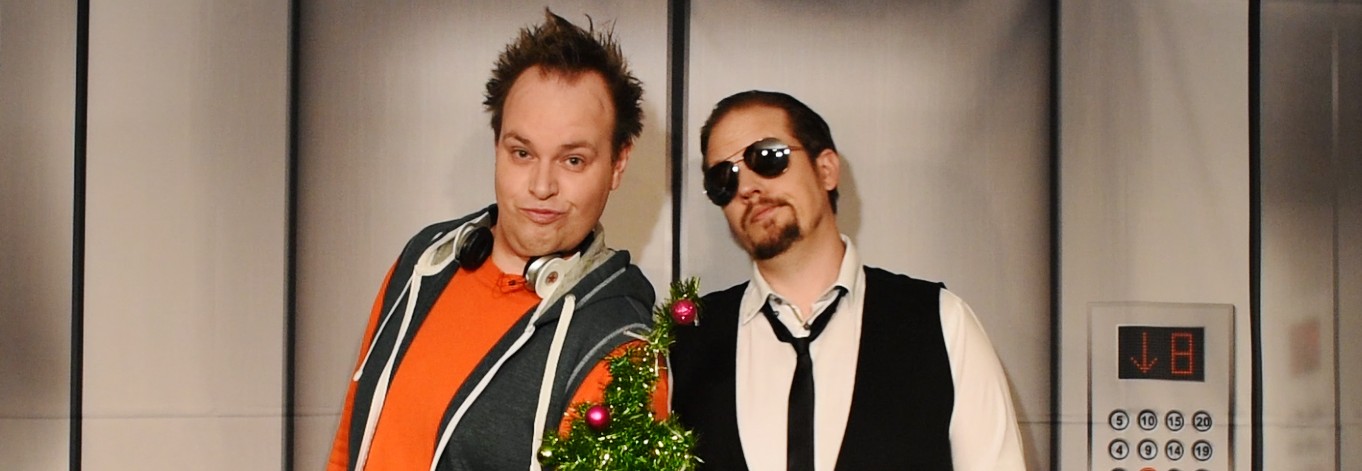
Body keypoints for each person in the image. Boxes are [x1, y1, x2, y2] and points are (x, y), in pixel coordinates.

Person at [328, 10, 663, 470]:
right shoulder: (425, 260)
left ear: (618, 164)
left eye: (573, 160)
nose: (541, 186)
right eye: (522, 153)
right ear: (497, 147)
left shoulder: (619, 346)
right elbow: (350, 442)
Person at [670, 90, 1025, 470]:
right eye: (723, 178)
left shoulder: (941, 323)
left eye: (768, 157)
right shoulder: (686, 344)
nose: (747, 187)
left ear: (826, 169)